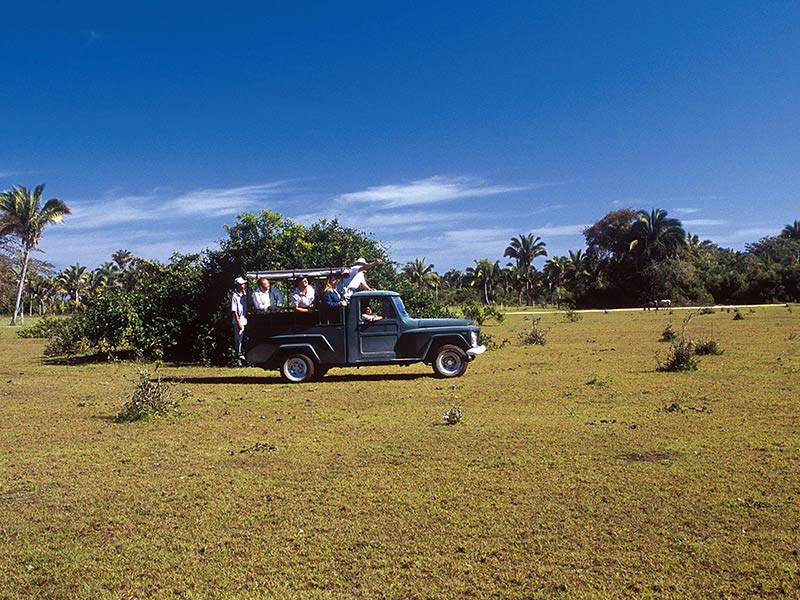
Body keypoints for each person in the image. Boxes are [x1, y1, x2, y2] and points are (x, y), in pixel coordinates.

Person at [231, 276, 248, 366]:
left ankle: (246, 358)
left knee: (245, 339)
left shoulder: (246, 294)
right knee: (239, 340)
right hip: (239, 320)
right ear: (238, 285)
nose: (244, 285)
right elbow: (234, 311)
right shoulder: (234, 296)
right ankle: (239, 359)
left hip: (246, 319)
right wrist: (238, 323)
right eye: (242, 284)